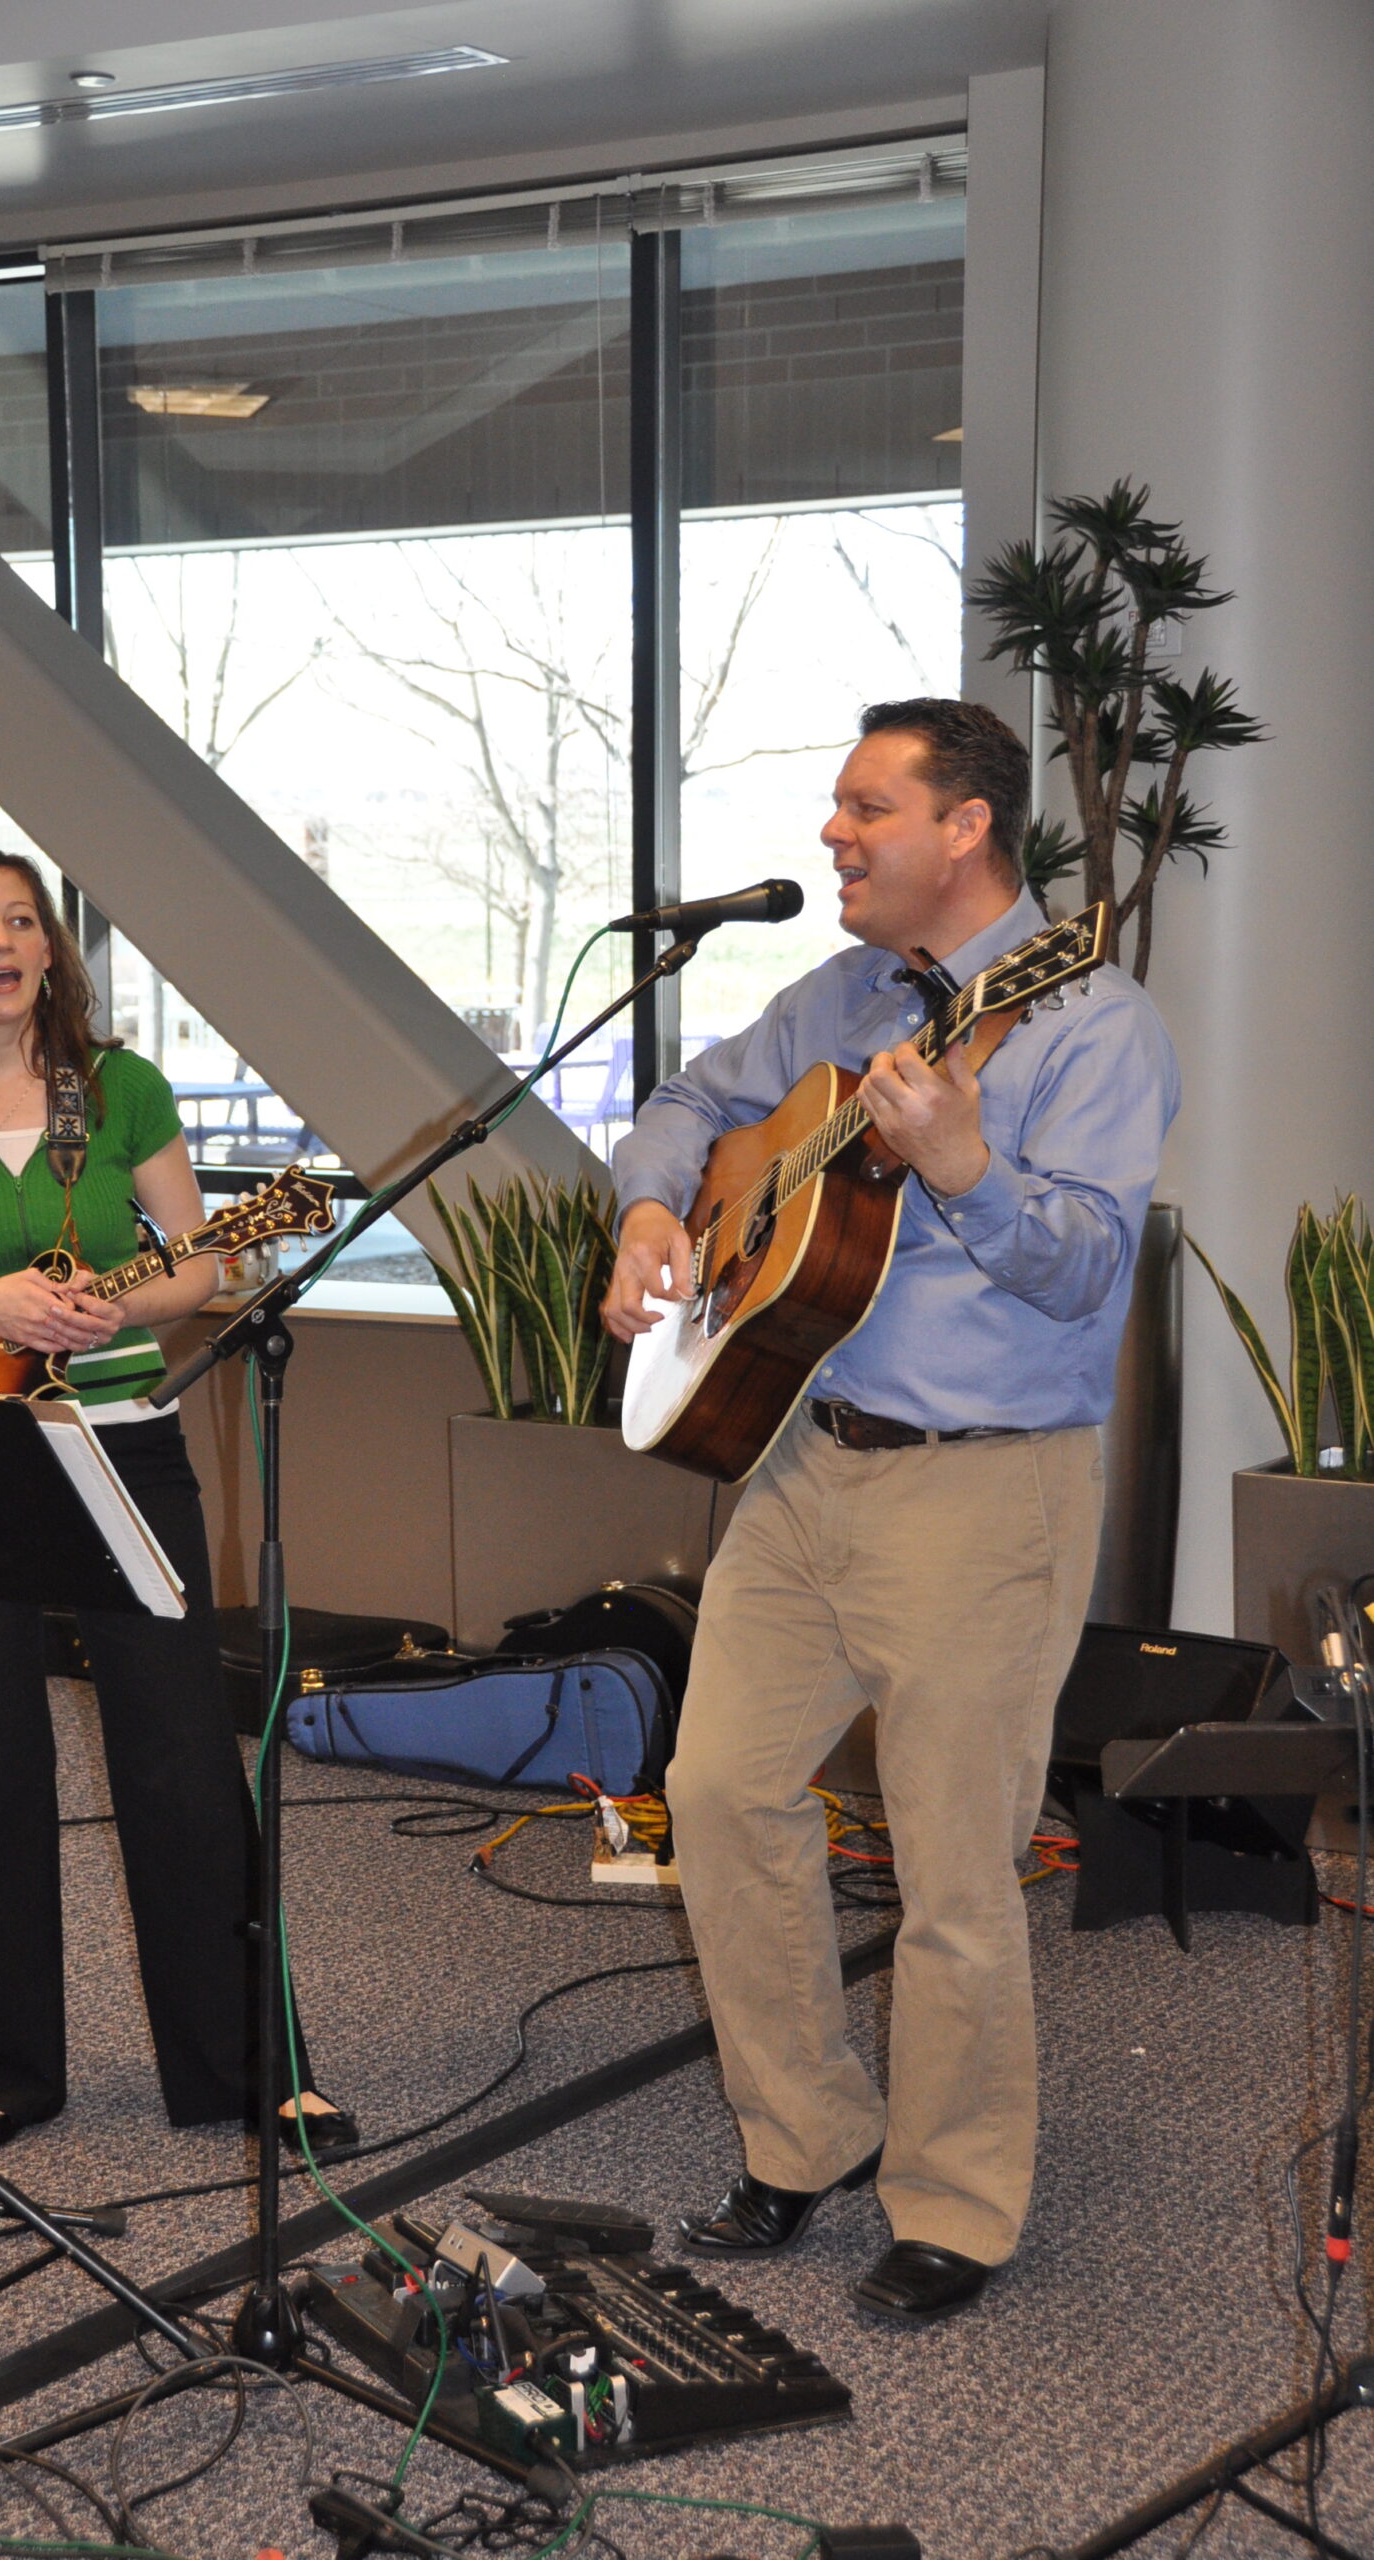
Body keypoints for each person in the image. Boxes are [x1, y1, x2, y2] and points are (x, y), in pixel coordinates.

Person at [603, 699, 1178, 2324]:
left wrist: (969, 1165)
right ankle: (806, 2136)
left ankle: (957, 2202)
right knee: (717, 1798)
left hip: (983, 1491)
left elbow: (1084, 1267)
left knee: (954, 1870)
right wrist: (657, 1204)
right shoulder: (843, 994)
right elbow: (692, 1105)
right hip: (797, 1460)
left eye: (865, 807)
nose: (834, 835)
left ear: (966, 829)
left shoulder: (1093, 1026)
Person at [0, 848, 354, 2155]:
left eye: (18, 920)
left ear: (51, 950)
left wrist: (118, 1298)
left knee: (176, 1754)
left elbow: (208, 1270)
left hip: (122, 1441)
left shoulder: (119, 1093)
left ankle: (247, 2072)